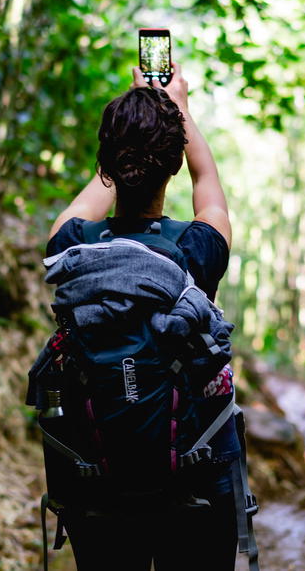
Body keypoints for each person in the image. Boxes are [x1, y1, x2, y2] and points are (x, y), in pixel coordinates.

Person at [44, 62, 243, 570]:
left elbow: (83, 206)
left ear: (108, 163)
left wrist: (129, 134)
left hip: (97, 486)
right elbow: (209, 180)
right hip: (195, 483)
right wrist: (178, 110)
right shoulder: (196, 250)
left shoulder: (69, 250)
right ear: (172, 163)